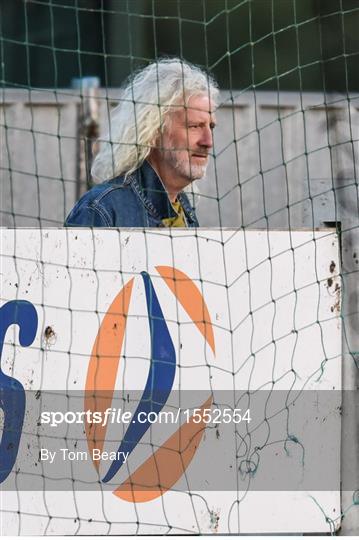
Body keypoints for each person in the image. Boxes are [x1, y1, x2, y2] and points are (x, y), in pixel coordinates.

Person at [65, 58, 219, 228]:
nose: (208, 141)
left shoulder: (184, 210)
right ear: (153, 130)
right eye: (194, 126)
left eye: (210, 126)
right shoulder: (102, 208)